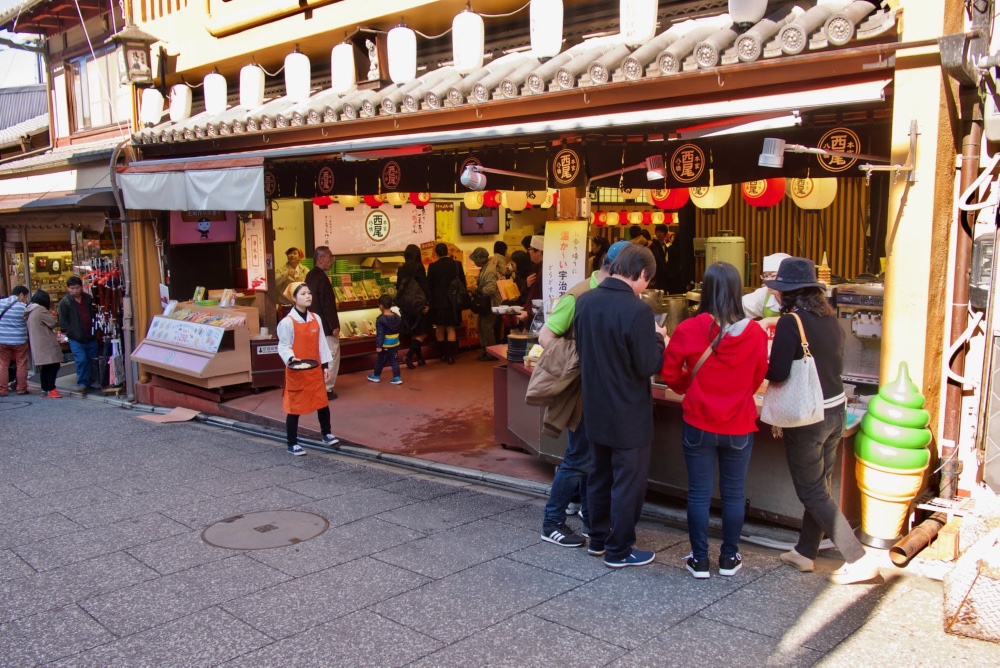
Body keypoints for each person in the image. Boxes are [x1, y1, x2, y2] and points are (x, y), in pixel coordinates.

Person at [765, 257, 880, 585]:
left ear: (790, 293)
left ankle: (857, 559)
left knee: (812, 490)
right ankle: (805, 552)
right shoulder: (829, 318)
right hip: (836, 412)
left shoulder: (792, 322)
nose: (775, 294)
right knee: (821, 485)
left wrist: (756, 365)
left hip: (808, 417)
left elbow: (778, 372)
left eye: (779, 290)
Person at [661, 262, 768, 579]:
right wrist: (739, 396)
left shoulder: (689, 329)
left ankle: (699, 560)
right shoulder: (755, 333)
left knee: (698, 494)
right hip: (739, 425)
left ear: (705, 290)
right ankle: (729, 557)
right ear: (739, 291)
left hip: (698, 423)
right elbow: (758, 375)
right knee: (734, 495)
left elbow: (669, 373)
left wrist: (686, 387)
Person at [574, 243, 667, 568]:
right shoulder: (638, 311)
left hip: (595, 406)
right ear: (641, 273)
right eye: (648, 280)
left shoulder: (585, 301)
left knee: (599, 475)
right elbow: (647, 365)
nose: (646, 286)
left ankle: (597, 540)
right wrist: (658, 337)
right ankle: (619, 549)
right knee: (628, 481)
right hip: (628, 412)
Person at [537, 240, 629, 549]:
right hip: (581, 392)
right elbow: (546, 335)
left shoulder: (608, 294)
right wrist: (579, 361)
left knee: (593, 459)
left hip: (599, 391)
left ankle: (591, 522)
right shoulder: (578, 295)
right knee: (577, 458)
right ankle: (552, 522)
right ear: (618, 268)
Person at [277, 282, 340, 456]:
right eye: (303, 293)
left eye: (309, 293)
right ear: (294, 298)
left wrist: (326, 365)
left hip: (314, 367)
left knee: (322, 402)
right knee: (295, 406)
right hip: (296, 369)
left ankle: (326, 433)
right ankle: (292, 442)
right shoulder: (287, 322)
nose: (308, 296)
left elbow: (321, 343)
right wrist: (291, 358)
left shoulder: (315, 318)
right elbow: (283, 345)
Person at [305, 246, 341, 399]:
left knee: (318, 356)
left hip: (312, 323)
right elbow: (327, 304)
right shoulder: (322, 278)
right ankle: (326, 388)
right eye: (329, 257)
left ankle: (317, 385)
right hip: (325, 326)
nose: (332, 260)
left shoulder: (309, 276)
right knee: (331, 355)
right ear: (320, 258)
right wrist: (334, 325)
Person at [427, 243, 467, 364]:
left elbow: (429, 286)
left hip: (438, 303)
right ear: (447, 252)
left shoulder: (432, 266)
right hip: (453, 303)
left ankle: (442, 355)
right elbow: (463, 284)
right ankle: (451, 356)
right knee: (451, 329)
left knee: (439, 329)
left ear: (436, 253)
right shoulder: (456, 265)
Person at [58, 276, 99, 393]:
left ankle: (92, 381)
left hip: (90, 335)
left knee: (92, 359)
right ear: (68, 289)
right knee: (81, 359)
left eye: (77, 288)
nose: (75, 290)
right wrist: (69, 333)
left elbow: (94, 314)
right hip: (75, 337)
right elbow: (62, 320)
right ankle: (82, 382)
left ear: (81, 287)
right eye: (72, 288)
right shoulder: (65, 302)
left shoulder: (88, 298)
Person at [25, 290, 64, 399]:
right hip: (46, 343)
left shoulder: (30, 310)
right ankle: (51, 389)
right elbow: (52, 323)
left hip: (38, 343)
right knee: (54, 366)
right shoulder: (40, 310)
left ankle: (44, 389)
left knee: (46, 367)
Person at [397, 244, 431, 369]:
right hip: (418, 305)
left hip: (406, 305)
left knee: (414, 333)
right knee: (423, 332)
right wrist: (428, 303)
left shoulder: (401, 268)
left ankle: (420, 359)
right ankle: (409, 356)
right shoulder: (418, 267)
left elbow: (398, 287)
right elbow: (424, 286)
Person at [743, 252, 791, 328]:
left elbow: (805, 319)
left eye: (773, 276)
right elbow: (739, 307)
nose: (768, 280)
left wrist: (769, 321)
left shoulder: (803, 295)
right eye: (765, 276)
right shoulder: (764, 293)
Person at [0, 285, 30, 397]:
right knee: (21, 364)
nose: (26, 299)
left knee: (3, 364)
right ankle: (21, 389)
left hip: (2, 339)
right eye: (26, 297)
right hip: (20, 340)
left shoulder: (1, 303)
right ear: (21, 295)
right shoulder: (24, 307)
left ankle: (2, 390)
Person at [471, 247, 500, 361]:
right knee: (481, 327)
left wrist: (477, 290)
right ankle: (485, 350)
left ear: (480, 260)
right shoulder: (485, 268)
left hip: (490, 303)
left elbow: (491, 289)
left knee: (487, 328)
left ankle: (491, 353)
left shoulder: (489, 271)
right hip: (485, 304)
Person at [368, 295, 403, 385]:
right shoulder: (397, 317)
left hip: (385, 344)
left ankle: (376, 375)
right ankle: (397, 376)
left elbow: (380, 334)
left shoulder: (380, 319)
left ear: (381, 306)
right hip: (395, 343)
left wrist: (378, 346)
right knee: (394, 360)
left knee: (380, 360)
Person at [518, 235, 545, 327]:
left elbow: (541, 297)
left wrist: (529, 313)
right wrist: (527, 285)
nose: (529, 252)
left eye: (531, 249)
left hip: (537, 319)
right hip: (532, 316)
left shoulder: (544, 271)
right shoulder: (536, 268)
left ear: (539, 252)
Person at [650, 224, 670, 292]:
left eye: (661, 232)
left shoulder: (667, 246)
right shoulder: (653, 245)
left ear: (665, 233)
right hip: (657, 275)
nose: (659, 234)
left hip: (664, 275)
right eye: (657, 232)